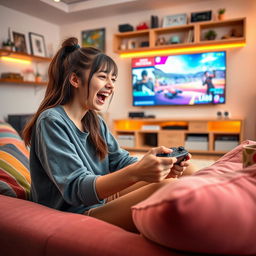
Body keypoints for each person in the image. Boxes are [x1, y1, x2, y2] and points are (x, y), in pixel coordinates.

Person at [23, 37, 196, 233]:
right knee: (167, 188)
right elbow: (76, 189)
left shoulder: (94, 120)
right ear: (75, 80)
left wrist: (157, 166)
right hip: (77, 212)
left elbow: (120, 161)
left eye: (113, 79)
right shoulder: (51, 121)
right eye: (103, 77)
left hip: (101, 199)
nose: (111, 85)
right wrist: (138, 172)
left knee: (188, 171)